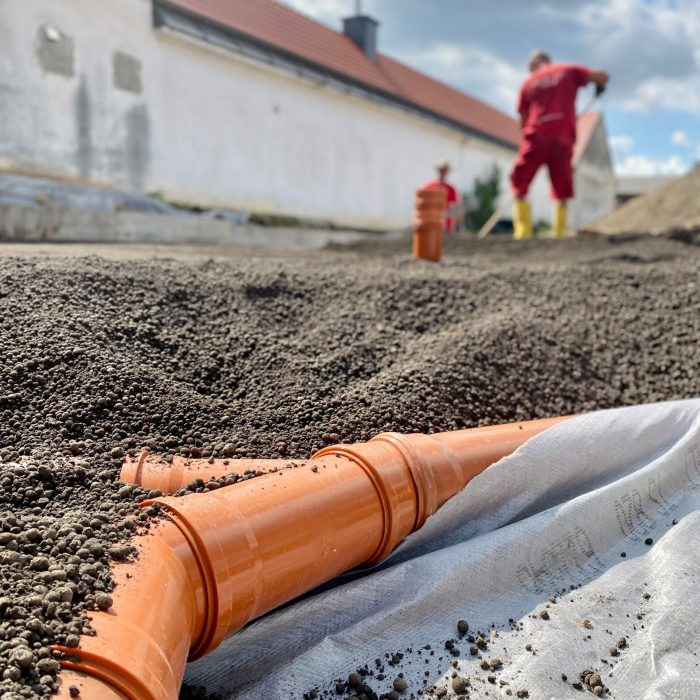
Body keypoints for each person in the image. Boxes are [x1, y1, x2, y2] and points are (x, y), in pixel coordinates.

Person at [510, 51, 609, 239]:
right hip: (563, 137)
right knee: (562, 185)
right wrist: (600, 86)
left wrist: (529, 137)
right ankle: (559, 232)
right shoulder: (568, 70)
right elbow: (602, 76)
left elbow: (523, 120)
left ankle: (522, 234)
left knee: (519, 181)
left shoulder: (527, 83)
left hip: (536, 135)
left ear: (534, 64)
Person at [423, 159, 459, 233]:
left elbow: (455, 209)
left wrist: (453, 225)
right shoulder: (429, 186)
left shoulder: (451, 189)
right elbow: (423, 205)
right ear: (438, 171)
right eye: (441, 170)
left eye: (445, 170)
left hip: (446, 227)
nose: (443, 173)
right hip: (430, 225)